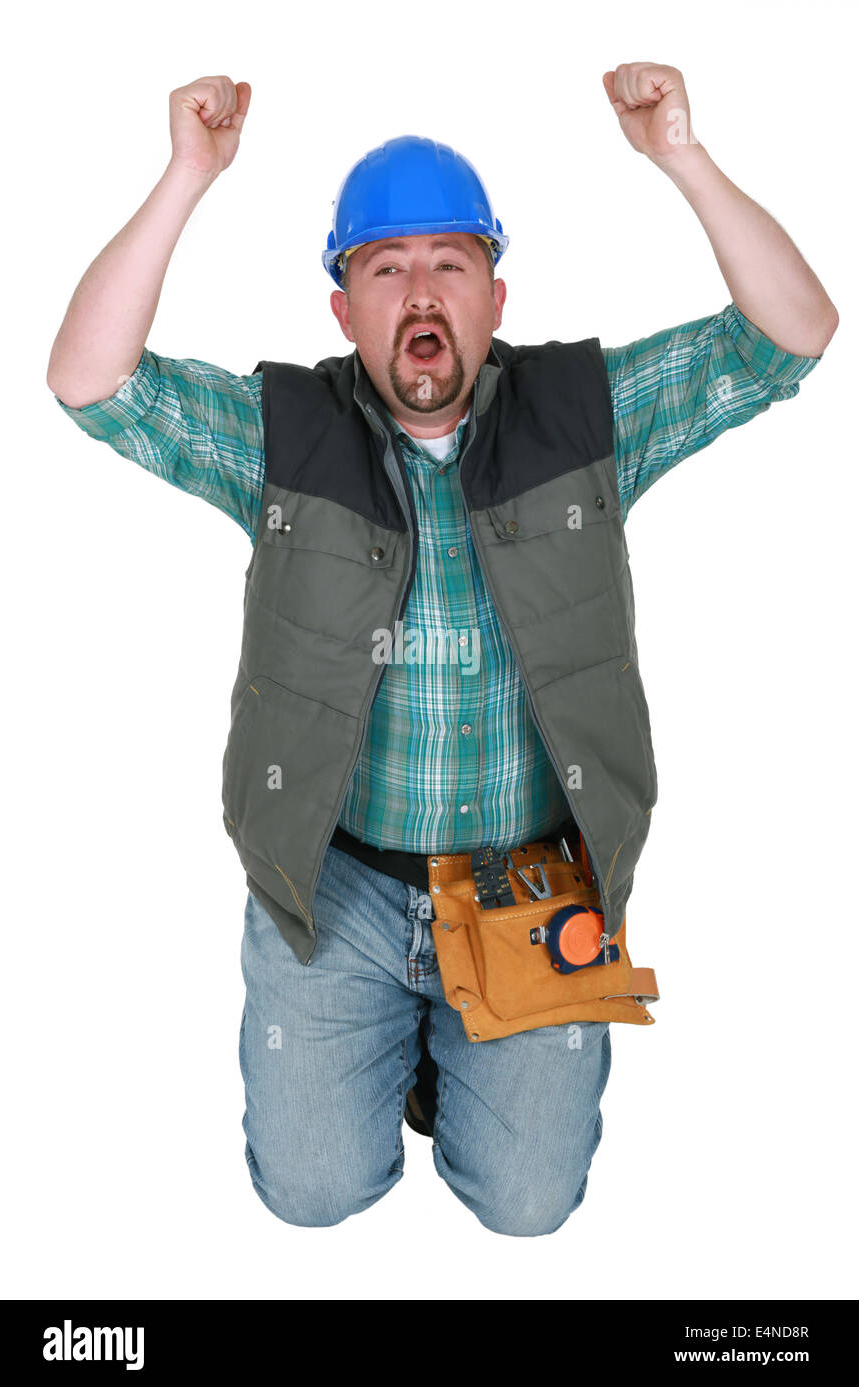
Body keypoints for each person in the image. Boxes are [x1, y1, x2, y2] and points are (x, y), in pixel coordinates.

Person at [47, 67, 838, 1237]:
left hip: (531, 882)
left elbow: (790, 336)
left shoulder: (584, 421)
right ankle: (394, 1028)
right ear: (345, 309)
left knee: (525, 1208)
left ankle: (452, 1045)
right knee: (309, 1195)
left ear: (490, 295)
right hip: (338, 886)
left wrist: (679, 154)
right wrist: (187, 176)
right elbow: (89, 382)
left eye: (448, 265)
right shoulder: (284, 440)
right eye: (384, 268)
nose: (419, 290)